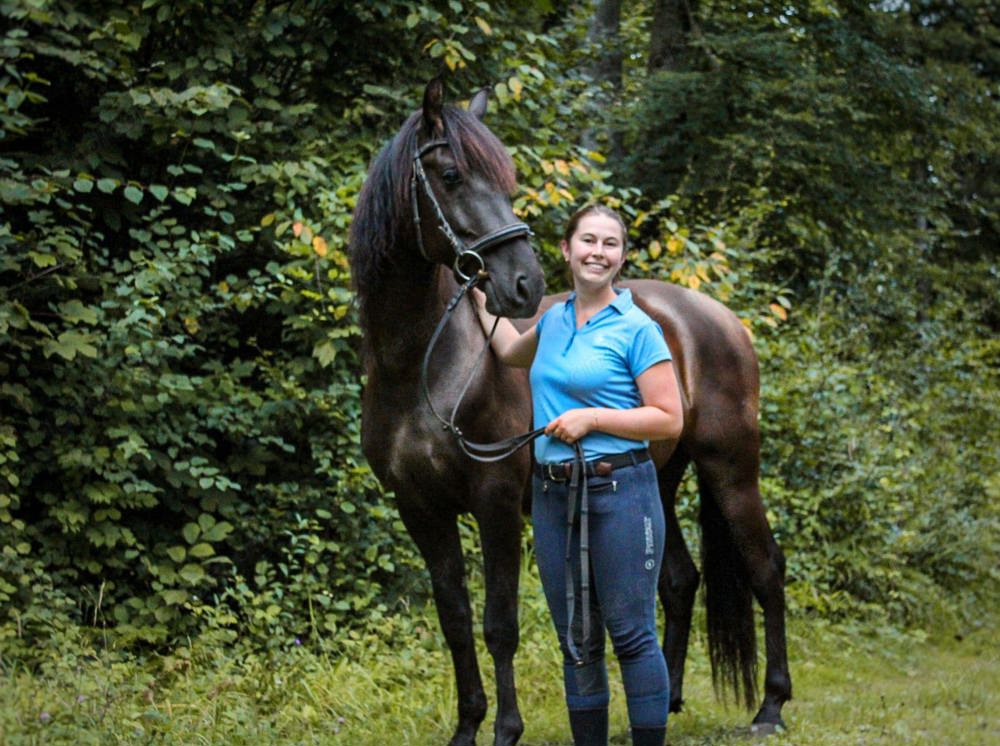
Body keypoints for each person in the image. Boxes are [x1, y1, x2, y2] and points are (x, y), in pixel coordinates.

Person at [470, 204, 683, 746]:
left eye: (610, 244)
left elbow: (667, 418)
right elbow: (510, 349)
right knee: (577, 639)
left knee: (633, 636)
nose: (598, 252)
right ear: (566, 250)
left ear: (621, 257)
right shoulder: (556, 318)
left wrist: (594, 418)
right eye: (588, 240)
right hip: (552, 496)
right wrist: (475, 292)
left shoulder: (638, 328)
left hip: (622, 492)